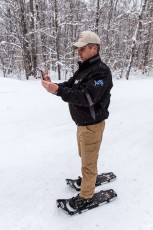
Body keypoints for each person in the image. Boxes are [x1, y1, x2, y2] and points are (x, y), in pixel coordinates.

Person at [42, 31, 113, 210]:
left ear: (94, 48)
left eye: (82, 48)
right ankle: (90, 178)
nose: (78, 52)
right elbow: (70, 85)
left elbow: (87, 98)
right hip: (82, 124)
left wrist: (57, 90)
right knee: (85, 157)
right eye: (77, 48)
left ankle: (86, 196)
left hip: (92, 126)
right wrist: (55, 85)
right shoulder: (85, 69)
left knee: (88, 163)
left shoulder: (101, 72)